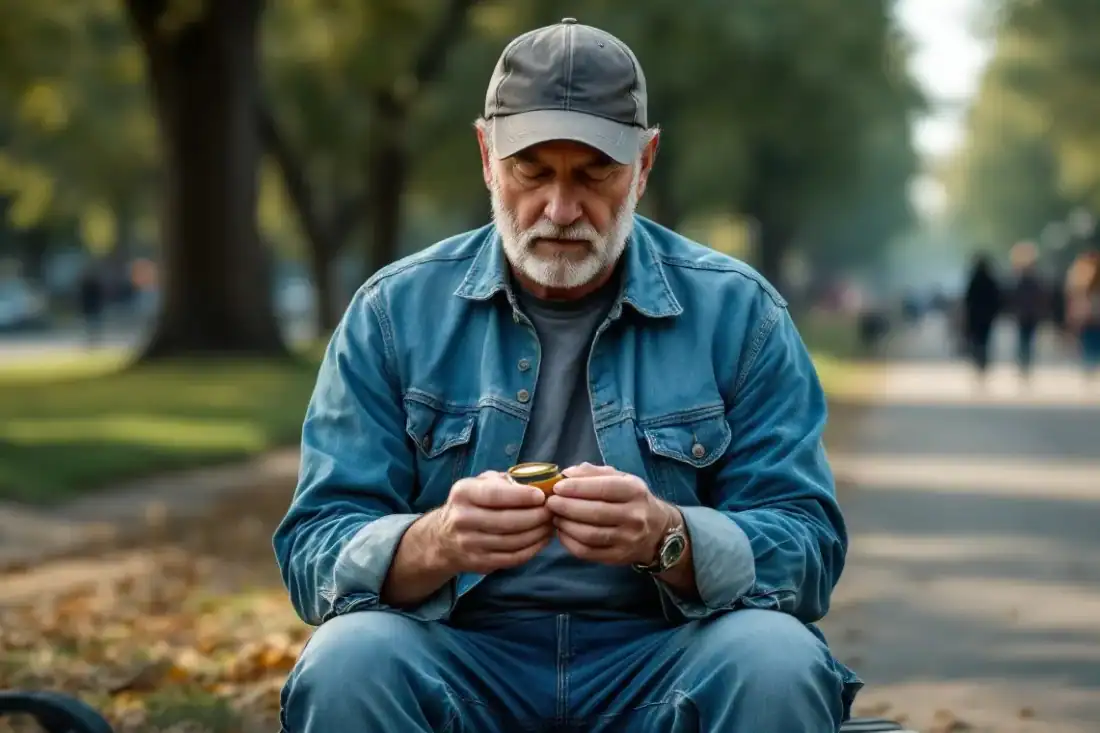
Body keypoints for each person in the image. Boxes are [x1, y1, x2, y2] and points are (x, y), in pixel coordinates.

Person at [274, 18, 859, 733]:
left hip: (666, 655)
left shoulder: (742, 314)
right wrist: (437, 542)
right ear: (487, 155)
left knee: (777, 658)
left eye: (593, 174)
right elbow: (314, 547)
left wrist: (669, 537)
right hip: (458, 655)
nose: (559, 208)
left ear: (643, 164)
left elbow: (808, 547)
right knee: (347, 659)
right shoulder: (392, 313)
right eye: (532, 171)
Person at [1008, 241, 1047, 379]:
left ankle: (1024, 364)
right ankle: (1025, 364)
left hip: (1024, 314)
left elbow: (1013, 297)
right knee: (1027, 340)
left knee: (1023, 339)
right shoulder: (1034, 280)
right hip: (1029, 314)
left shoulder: (1020, 280)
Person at [961, 253, 1002, 378]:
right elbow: (997, 299)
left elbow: (968, 300)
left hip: (975, 316)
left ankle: (978, 362)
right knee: (985, 341)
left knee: (976, 341)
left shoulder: (973, 280)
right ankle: (983, 363)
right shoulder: (991, 280)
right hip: (987, 317)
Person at [1065, 250, 1100, 377]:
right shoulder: (1082, 274)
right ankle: (1091, 366)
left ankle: (1090, 367)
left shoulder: (1078, 274)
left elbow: (1072, 297)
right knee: (1092, 340)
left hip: (1086, 315)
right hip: (1090, 315)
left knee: (1088, 340)